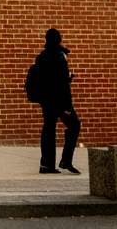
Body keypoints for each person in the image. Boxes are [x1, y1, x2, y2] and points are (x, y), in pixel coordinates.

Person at [26, 28, 79, 174]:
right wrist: (68, 105)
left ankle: (46, 165)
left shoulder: (41, 56)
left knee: (49, 128)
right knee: (75, 125)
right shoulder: (60, 56)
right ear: (59, 39)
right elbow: (63, 83)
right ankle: (66, 159)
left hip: (46, 99)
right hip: (59, 100)